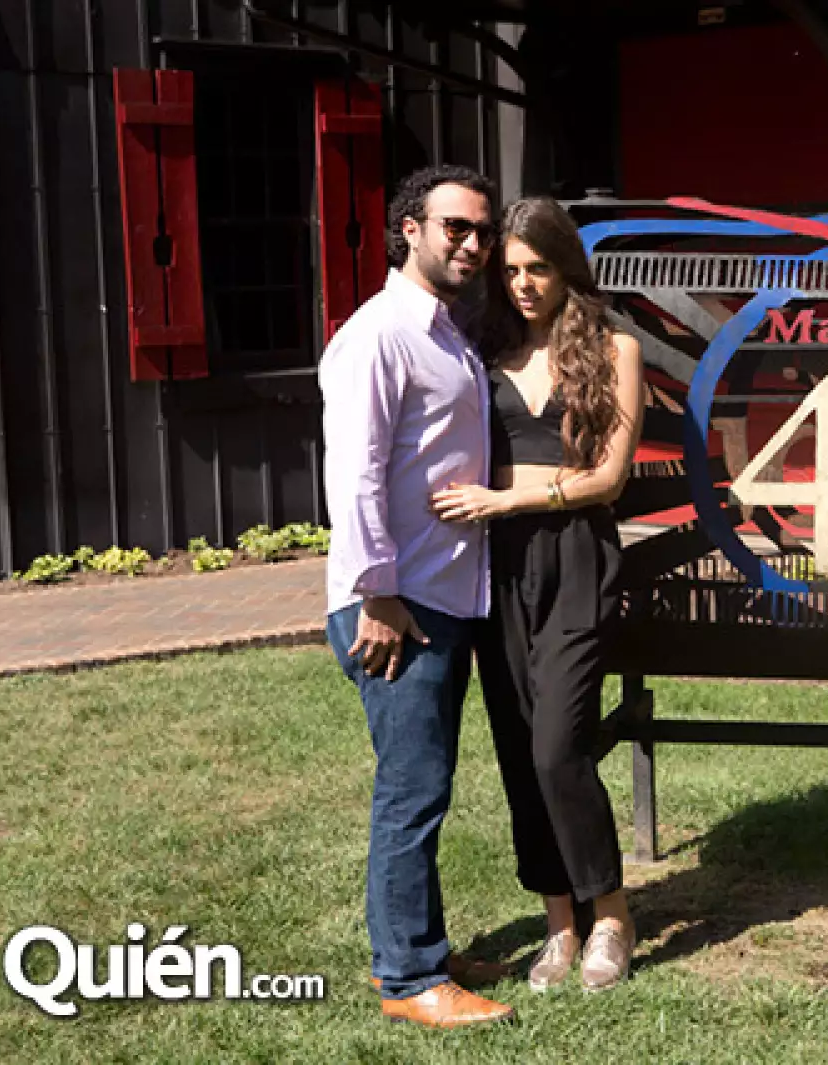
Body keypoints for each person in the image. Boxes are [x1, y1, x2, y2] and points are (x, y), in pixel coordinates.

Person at [431, 197, 644, 993]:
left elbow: (609, 477)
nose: (522, 285)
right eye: (510, 271)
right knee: (522, 753)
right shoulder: (485, 349)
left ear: (566, 269)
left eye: (537, 269)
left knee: (560, 745)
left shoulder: (615, 346)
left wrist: (509, 501)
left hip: (575, 556)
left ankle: (613, 913)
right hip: (496, 567)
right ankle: (561, 924)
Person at [321, 165, 515, 1026]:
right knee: (413, 787)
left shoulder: (446, 333)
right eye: (455, 227)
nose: (472, 243)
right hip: (397, 604)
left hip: (436, 594)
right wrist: (377, 591)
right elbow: (354, 474)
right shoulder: (380, 335)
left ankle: (415, 945)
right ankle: (409, 979)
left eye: (482, 230)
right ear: (410, 228)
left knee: (424, 780)